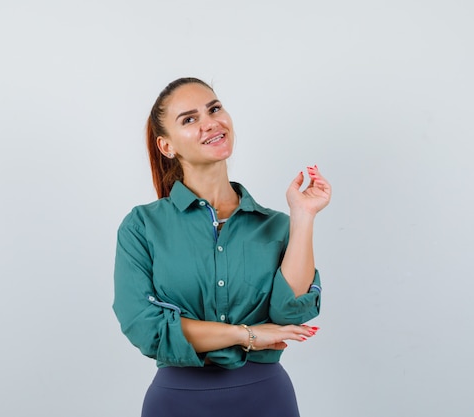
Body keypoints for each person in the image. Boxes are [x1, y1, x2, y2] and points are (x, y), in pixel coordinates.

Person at [113, 77, 331, 417]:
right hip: (177, 403)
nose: (210, 123)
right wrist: (247, 335)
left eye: (214, 109)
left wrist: (302, 217)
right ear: (166, 146)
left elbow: (290, 314)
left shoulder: (274, 225)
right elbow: (146, 328)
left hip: (266, 400)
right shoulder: (142, 226)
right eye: (189, 119)